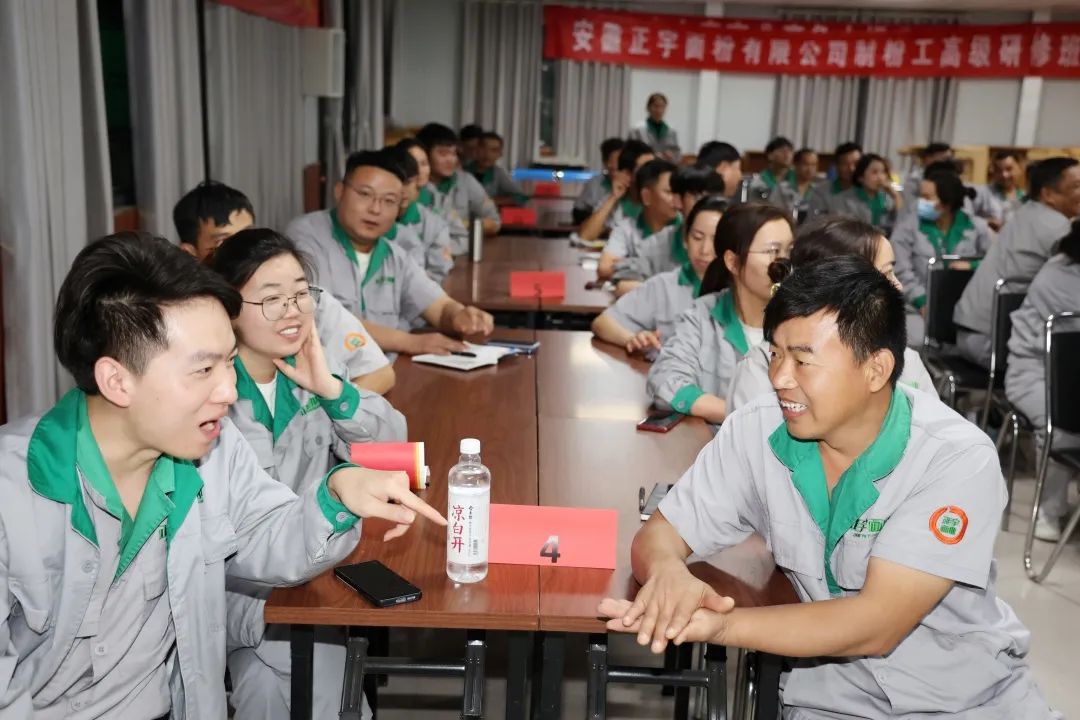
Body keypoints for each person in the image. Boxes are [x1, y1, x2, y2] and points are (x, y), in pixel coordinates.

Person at [0, 232, 445, 718]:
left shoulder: (213, 450)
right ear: (117, 381)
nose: (229, 392)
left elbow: (267, 534)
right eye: (203, 370)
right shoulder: (12, 490)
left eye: (229, 363)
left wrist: (336, 493)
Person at [600, 255, 1058, 720]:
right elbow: (659, 533)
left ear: (876, 369)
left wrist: (719, 626)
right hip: (834, 698)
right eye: (774, 354)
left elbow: (876, 623)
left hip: (971, 697)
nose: (779, 378)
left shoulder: (954, 457)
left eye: (803, 361)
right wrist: (668, 572)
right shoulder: (756, 432)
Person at [208, 228, 407, 720]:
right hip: (237, 587)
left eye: (301, 294)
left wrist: (334, 392)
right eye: (272, 299)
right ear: (228, 308)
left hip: (311, 571)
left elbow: (394, 451)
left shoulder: (309, 372)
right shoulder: (211, 398)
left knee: (275, 683)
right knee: (307, 672)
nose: (293, 311)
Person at [173, 181, 396, 394]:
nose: (243, 249)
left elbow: (379, 372)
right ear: (189, 254)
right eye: (223, 242)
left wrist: (332, 403)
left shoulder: (307, 300)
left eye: (249, 234)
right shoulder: (185, 326)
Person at [287, 149, 494, 359]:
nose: (376, 209)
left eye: (389, 201)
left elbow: (439, 308)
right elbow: (320, 317)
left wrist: (460, 315)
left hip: (385, 372)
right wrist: (410, 342)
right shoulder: (305, 236)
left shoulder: (395, 255)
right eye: (365, 194)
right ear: (339, 191)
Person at [728, 217, 936, 412]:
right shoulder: (761, 369)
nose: (898, 287)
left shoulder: (904, 360)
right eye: (886, 273)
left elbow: (935, 430)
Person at [646, 204, 794, 424]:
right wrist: (741, 413)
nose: (785, 263)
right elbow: (665, 381)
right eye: (772, 251)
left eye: (789, 250)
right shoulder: (702, 316)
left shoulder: (800, 321)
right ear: (732, 262)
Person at [953, 157, 1080, 368]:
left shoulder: (1027, 212)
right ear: (1048, 194)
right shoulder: (1057, 229)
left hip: (971, 331)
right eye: (1076, 186)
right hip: (992, 340)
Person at [1006, 223, 1080, 542]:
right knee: (1063, 426)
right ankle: (1049, 513)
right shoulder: (1061, 273)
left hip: (1071, 374)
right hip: (1035, 373)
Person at [591, 196, 725, 354]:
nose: (704, 250)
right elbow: (602, 323)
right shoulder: (664, 285)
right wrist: (632, 339)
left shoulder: (741, 290)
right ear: (685, 239)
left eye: (715, 240)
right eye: (697, 237)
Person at [891, 169, 993, 348]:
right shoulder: (908, 226)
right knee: (916, 339)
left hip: (966, 308)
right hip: (916, 307)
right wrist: (921, 300)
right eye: (920, 196)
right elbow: (900, 269)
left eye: (927, 198)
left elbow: (994, 262)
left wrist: (972, 265)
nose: (921, 202)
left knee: (977, 344)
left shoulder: (977, 228)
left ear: (946, 203)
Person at [609, 168, 726, 292]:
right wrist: (667, 294)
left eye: (715, 199)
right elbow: (623, 283)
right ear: (677, 200)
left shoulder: (733, 244)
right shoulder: (655, 245)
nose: (709, 205)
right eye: (698, 197)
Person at [416, 122, 500, 255]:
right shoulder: (413, 186)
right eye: (443, 153)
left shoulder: (466, 181)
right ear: (424, 155)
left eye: (454, 153)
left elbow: (494, 223)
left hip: (461, 255)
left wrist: (459, 225)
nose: (451, 159)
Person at [597, 159, 680, 282]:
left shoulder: (684, 229)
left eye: (678, 193)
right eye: (669, 192)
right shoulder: (626, 228)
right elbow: (604, 268)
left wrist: (629, 266)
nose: (676, 199)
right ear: (646, 196)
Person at [386, 143, 454, 283]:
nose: (402, 190)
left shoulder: (435, 225)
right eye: (395, 183)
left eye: (407, 183)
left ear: (418, 181)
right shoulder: (371, 220)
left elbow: (437, 275)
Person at [578, 139, 654, 242]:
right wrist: (613, 197)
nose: (652, 174)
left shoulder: (660, 198)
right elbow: (585, 236)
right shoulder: (617, 201)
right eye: (645, 168)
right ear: (627, 174)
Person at [832, 153, 901, 236]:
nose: (880, 177)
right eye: (874, 172)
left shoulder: (887, 199)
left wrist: (895, 196)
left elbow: (896, 226)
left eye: (883, 172)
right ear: (860, 177)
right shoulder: (844, 199)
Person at [468, 131, 528, 207]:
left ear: (500, 154)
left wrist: (493, 201)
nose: (487, 154)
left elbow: (520, 197)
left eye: (494, 150)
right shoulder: (463, 171)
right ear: (476, 150)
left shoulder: (498, 173)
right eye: (483, 148)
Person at [573, 137, 624, 225]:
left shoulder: (632, 185)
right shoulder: (595, 183)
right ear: (606, 163)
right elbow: (578, 211)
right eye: (619, 160)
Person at [806, 141, 862, 218]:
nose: (851, 169)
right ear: (836, 165)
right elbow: (814, 221)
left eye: (856, 164)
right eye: (845, 163)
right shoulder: (821, 192)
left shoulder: (869, 191)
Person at [973, 150, 1026, 231]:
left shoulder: (1025, 198)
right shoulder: (982, 193)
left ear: (1020, 169)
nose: (1004, 175)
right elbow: (964, 217)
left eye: (1009, 169)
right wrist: (987, 222)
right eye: (998, 170)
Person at [628, 92, 681, 162]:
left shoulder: (671, 130)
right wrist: (652, 155)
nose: (659, 110)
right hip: (644, 165)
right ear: (648, 108)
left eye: (662, 107)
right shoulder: (637, 129)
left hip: (665, 165)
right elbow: (631, 152)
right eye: (656, 106)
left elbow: (677, 153)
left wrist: (672, 155)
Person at [902, 141, 954, 210]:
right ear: (929, 158)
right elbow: (908, 204)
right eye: (944, 159)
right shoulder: (914, 179)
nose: (947, 163)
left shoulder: (951, 178)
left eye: (949, 159)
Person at [783, 147, 820, 221]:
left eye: (813, 165)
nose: (810, 169)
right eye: (806, 164)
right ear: (795, 165)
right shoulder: (782, 189)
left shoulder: (820, 190)